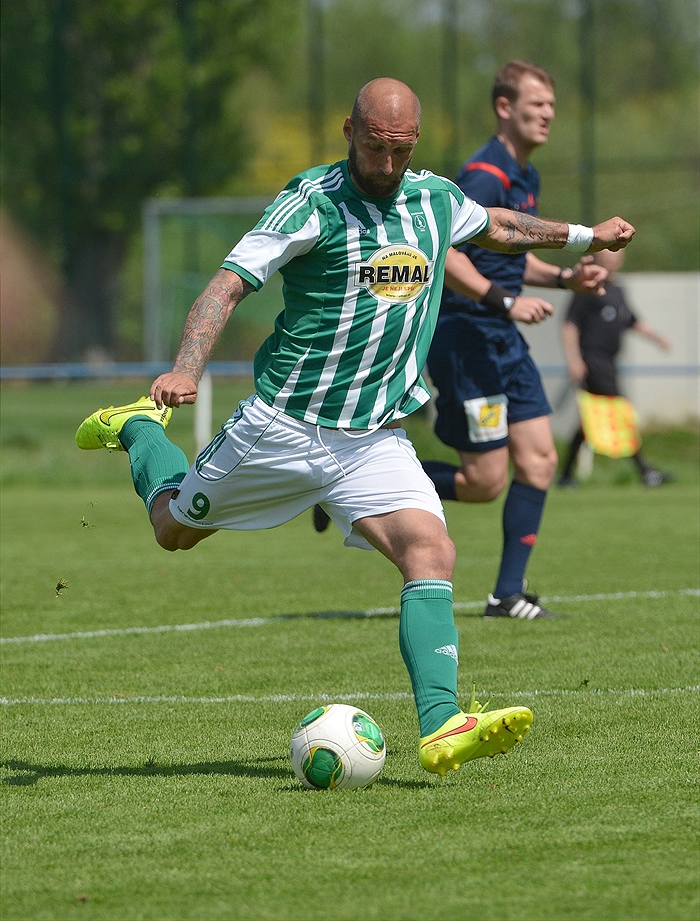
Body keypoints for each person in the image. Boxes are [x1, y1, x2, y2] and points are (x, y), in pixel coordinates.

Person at [75, 78, 634, 776]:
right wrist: (187, 368)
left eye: (402, 150)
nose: (389, 165)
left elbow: (497, 224)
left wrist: (588, 234)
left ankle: (442, 725)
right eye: (375, 148)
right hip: (284, 425)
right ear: (348, 132)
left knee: (431, 551)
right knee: (173, 530)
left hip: (373, 437)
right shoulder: (311, 201)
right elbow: (226, 284)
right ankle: (137, 431)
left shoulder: (432, 200)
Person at [422, 60, 609, 622]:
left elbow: (506, 254)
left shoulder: (525, 177)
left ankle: (507, 595)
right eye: (537, 105)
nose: (548, 115)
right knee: (484, 482)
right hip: (466, 338)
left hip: (500, 337)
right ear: (505, 107)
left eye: (552, 106)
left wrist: (565, 277)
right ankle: (346, 490)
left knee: (541, 461)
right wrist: (503, 301)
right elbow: (447, 253)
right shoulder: (485, 175)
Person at [558, 248, 672, 487]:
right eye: (608, 259)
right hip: (593, 361)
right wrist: (574, 359)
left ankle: (566, 476)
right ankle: (645, 472)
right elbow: (569, 326)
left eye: (616, 259)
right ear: (599, 260)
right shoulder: (587, 289)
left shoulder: (618, 291)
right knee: (620, 412)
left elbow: (633, 321)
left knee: (590, 420)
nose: (612, 264)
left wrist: (657, 338)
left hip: (609, 362)